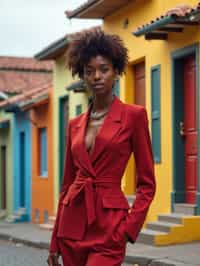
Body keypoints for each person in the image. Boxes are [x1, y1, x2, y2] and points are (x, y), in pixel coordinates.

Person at [47, 28, 156, 266]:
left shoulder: (134, 116)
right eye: (89, 71)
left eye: (104, 69)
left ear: (116, 71)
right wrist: (54, 241)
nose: (97, 76)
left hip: (109, 227)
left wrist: (128, 229)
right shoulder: (74, 125)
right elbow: (67, 185)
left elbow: (147, 183)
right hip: (72, 225)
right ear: (82, 76)